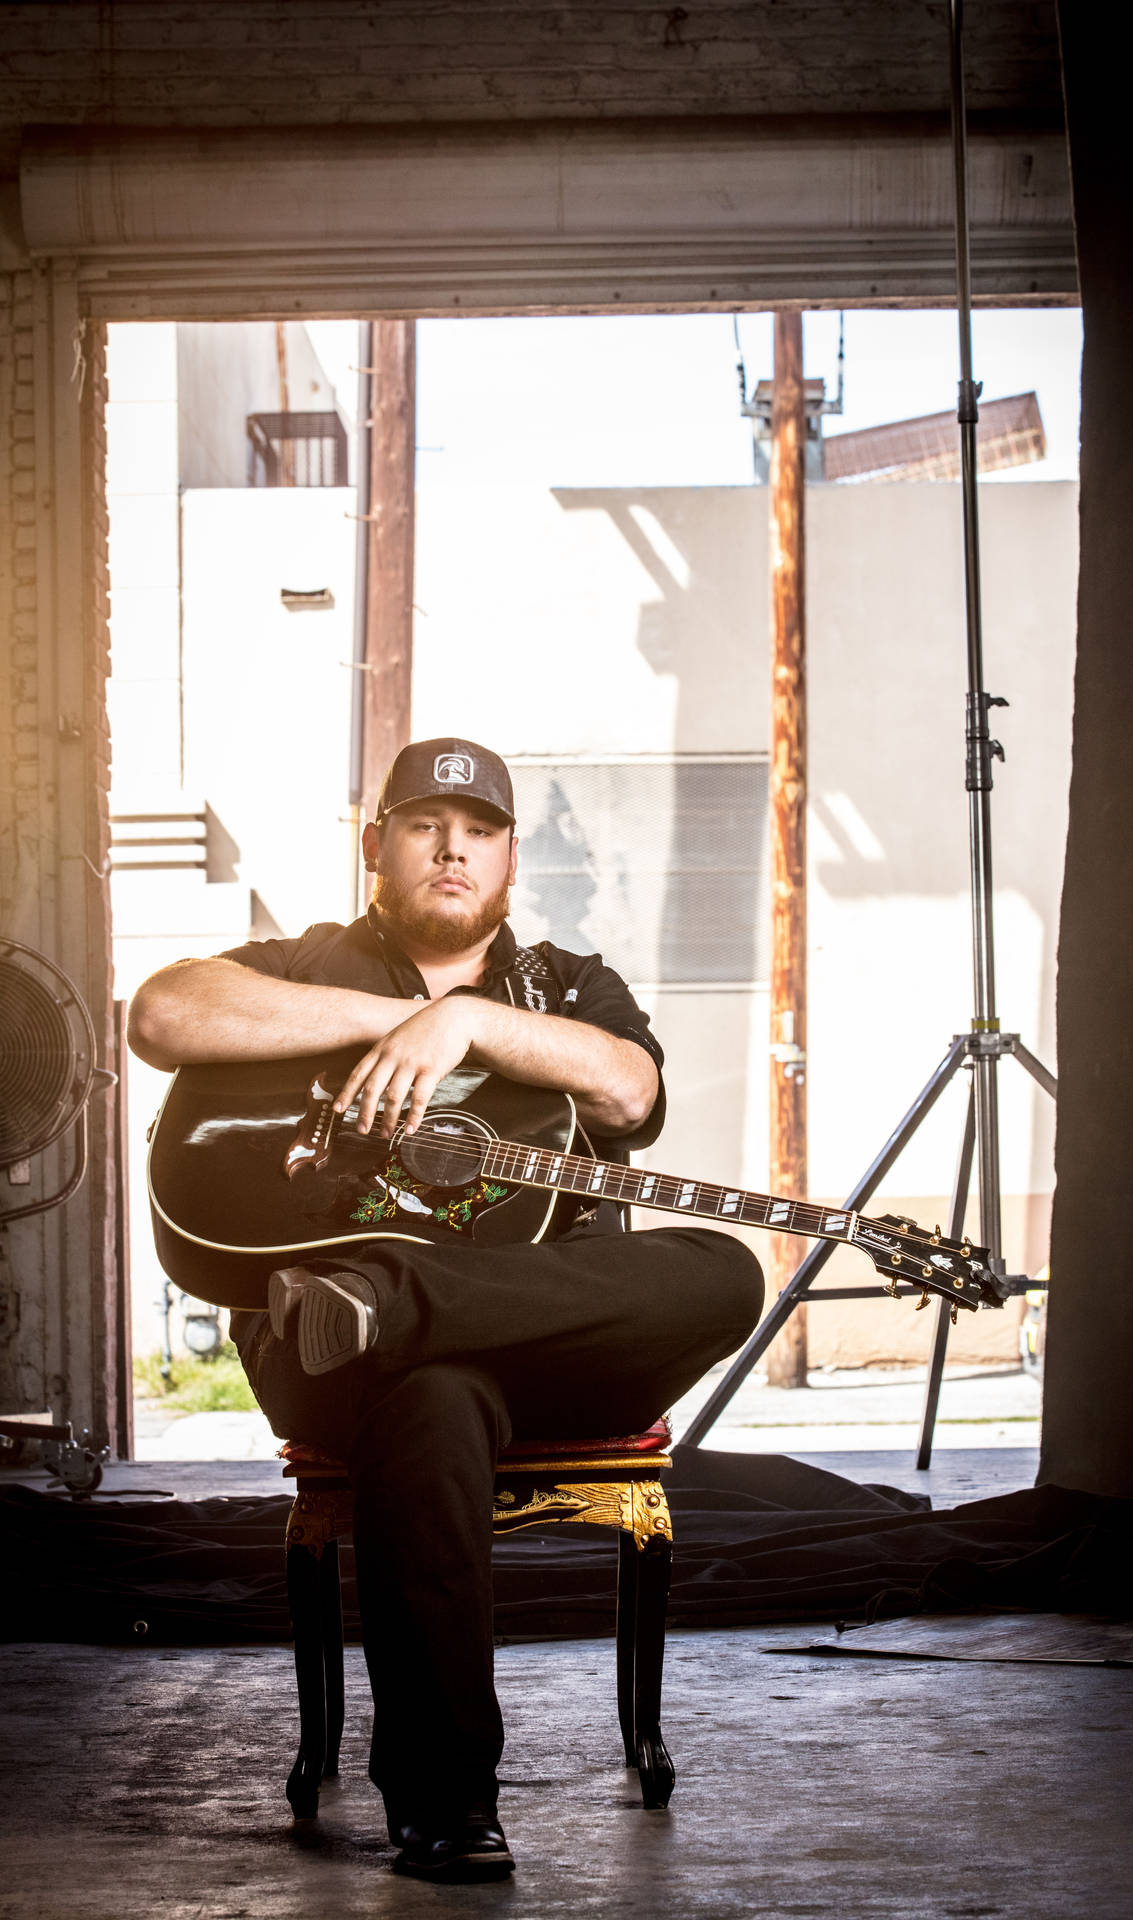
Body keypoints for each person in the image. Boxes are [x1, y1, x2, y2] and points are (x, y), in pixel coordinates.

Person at [128, 737, 764, 1884]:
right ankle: (445, 1806)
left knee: (725, 1271)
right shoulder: (306, 960)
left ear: (510, 856)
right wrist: (381, 1024)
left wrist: (463, 1022)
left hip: (542, 1337)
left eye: (476, 831)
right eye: (424, 825)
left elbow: (629, 1088)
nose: (451, 849)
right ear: (379, 845)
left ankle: (395, 1299)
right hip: (346, 1356)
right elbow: (166, 1015)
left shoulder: (567, 985)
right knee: (426, 1399)